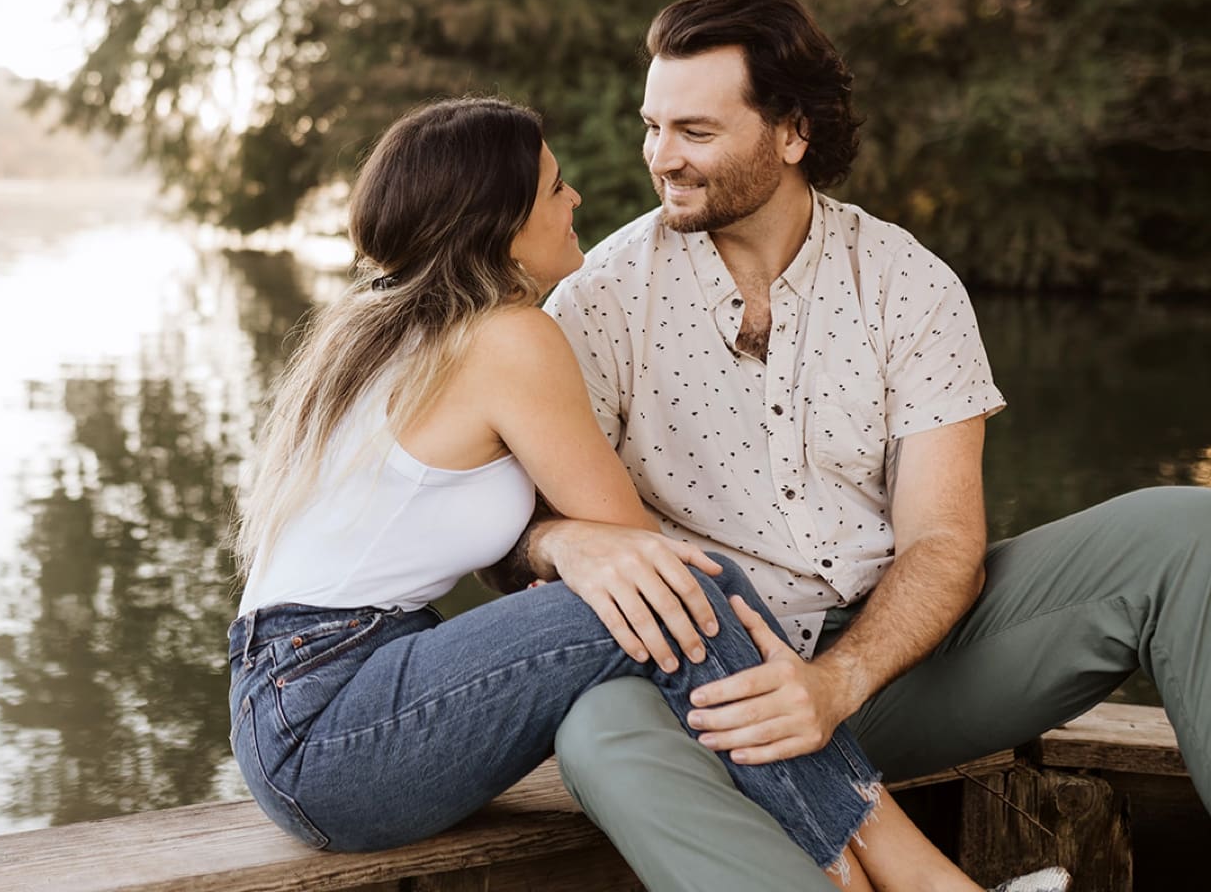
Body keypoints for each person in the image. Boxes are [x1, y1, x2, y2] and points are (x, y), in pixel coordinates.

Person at [228, 97, 1063, 890]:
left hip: (309, 705)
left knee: (671, 588)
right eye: (555, 186)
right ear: (504, 223)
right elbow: (642, 553)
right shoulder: (510, 339)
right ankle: (908, 875)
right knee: (680, 583)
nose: (577, 196)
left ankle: (857, 874)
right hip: (330, 721)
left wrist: (561, 543)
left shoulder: (394, 330)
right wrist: (588, 543)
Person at [492, 0, 1208, 892]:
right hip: (708, 696)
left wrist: (836, 683)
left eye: (696, 133)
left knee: (1187, 537)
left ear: (791, 133)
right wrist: (558, 538)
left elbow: (945, 543)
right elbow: (514, 538)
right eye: (652, 126)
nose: (660, 158)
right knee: (595, 730)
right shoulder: (598, 303)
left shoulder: (912, 285)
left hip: (898, 666)